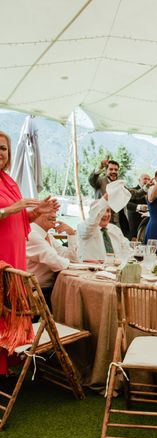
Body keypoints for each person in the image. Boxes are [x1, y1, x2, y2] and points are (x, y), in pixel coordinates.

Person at [0, 130, 58, 375]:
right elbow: (10, 212)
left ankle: (8, 361)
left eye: (3, 149)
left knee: (11, 306)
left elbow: (20, 219)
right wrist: (15, 207)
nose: (0, 153)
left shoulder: (9, 181)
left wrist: (37, 212)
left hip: (15, 254)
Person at [26, 212, 78, 308]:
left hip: (47, 289)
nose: (54, 215)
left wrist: (71, 233)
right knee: (76, 300)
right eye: (48, 210)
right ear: (37, 212)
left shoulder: (47, 235)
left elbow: (70, 258)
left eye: (55, 212)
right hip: (34, 293)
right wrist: (77, 266)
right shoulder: (31, 233)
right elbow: (56, 262)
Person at [88, 157, 135, 239]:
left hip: (117, 224)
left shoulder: (120, 184)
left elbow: (133, 193)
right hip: (101, 221)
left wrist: (146, 188)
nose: (114, 171)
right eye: (111, 169)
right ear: (106, 171)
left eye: (116, 170)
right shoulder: (100, 182)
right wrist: (100, 167)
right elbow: (92, 180)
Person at [76, 196, 131, 262]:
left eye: (108, 211)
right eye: (102, 212)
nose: (106, 215)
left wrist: (123, 261)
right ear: (92, 214)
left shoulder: (115, 229)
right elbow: (91, 223)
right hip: (92, 269)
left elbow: (127, 248)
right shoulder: (84, 227)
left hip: (115, 268)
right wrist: (104, 198)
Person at [126, 172, 151, 241]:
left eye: (149, 179)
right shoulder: (132, 190)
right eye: (145, 179)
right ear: (139, 180)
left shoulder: (151, 193)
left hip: (147, 225)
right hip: (134, 225)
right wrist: (139, 206)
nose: (147, 181)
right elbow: (127, 204)